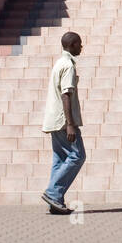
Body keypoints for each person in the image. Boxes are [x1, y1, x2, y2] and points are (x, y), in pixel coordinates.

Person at [41, 30, 86, 213]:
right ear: (72, 45)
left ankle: (55, 200)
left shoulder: (59, 62)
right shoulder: (68, 65)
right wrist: (70, 124)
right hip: (63, 121)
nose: (81, 47)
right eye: (79, 44)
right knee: (77, 156)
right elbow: (66, 94)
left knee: (60, 159)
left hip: (54, 118)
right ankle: (53, 193)